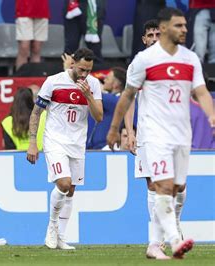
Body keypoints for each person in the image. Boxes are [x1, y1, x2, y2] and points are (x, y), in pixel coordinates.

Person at [107, 7, 215, 259]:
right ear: (165, 29)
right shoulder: (143, 61)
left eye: (185, 26)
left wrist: (211, 115)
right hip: (151, 133)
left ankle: (167, 231)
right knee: (159, 186)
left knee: (178, 188)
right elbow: (127, 97)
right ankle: (168, 240)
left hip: (179, 134)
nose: (184, 30)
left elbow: (200, 92)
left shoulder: (189, 59)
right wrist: (120, 129)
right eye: (179, 26)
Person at [27, 48, 103, 250]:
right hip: (55, 141)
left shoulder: (93, 84)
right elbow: (36, 113)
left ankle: (60, 237)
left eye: (88, 70)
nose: (84, 74)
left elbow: (99, 116)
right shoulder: (53, 81)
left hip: (77, 143)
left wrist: (88, 96)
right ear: (73, 63)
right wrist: (33, 142)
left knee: (71, 192)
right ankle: (51, 227)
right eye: (81, 69)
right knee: (64, 183)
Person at [122, 19, 171, 260]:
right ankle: (157, 240)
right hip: (146, 134)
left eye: (156, 34)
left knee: (173, 187)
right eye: (149, 35)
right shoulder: (137, 65)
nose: (153, 38)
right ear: (144, 39)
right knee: (152, 185)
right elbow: (129, 99)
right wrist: (130, 132)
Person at [14, 0, 50, 71]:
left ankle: (34, 77)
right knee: (24, 47)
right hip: (23, 10)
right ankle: (20, 77)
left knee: (36, 48)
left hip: (42, 10)